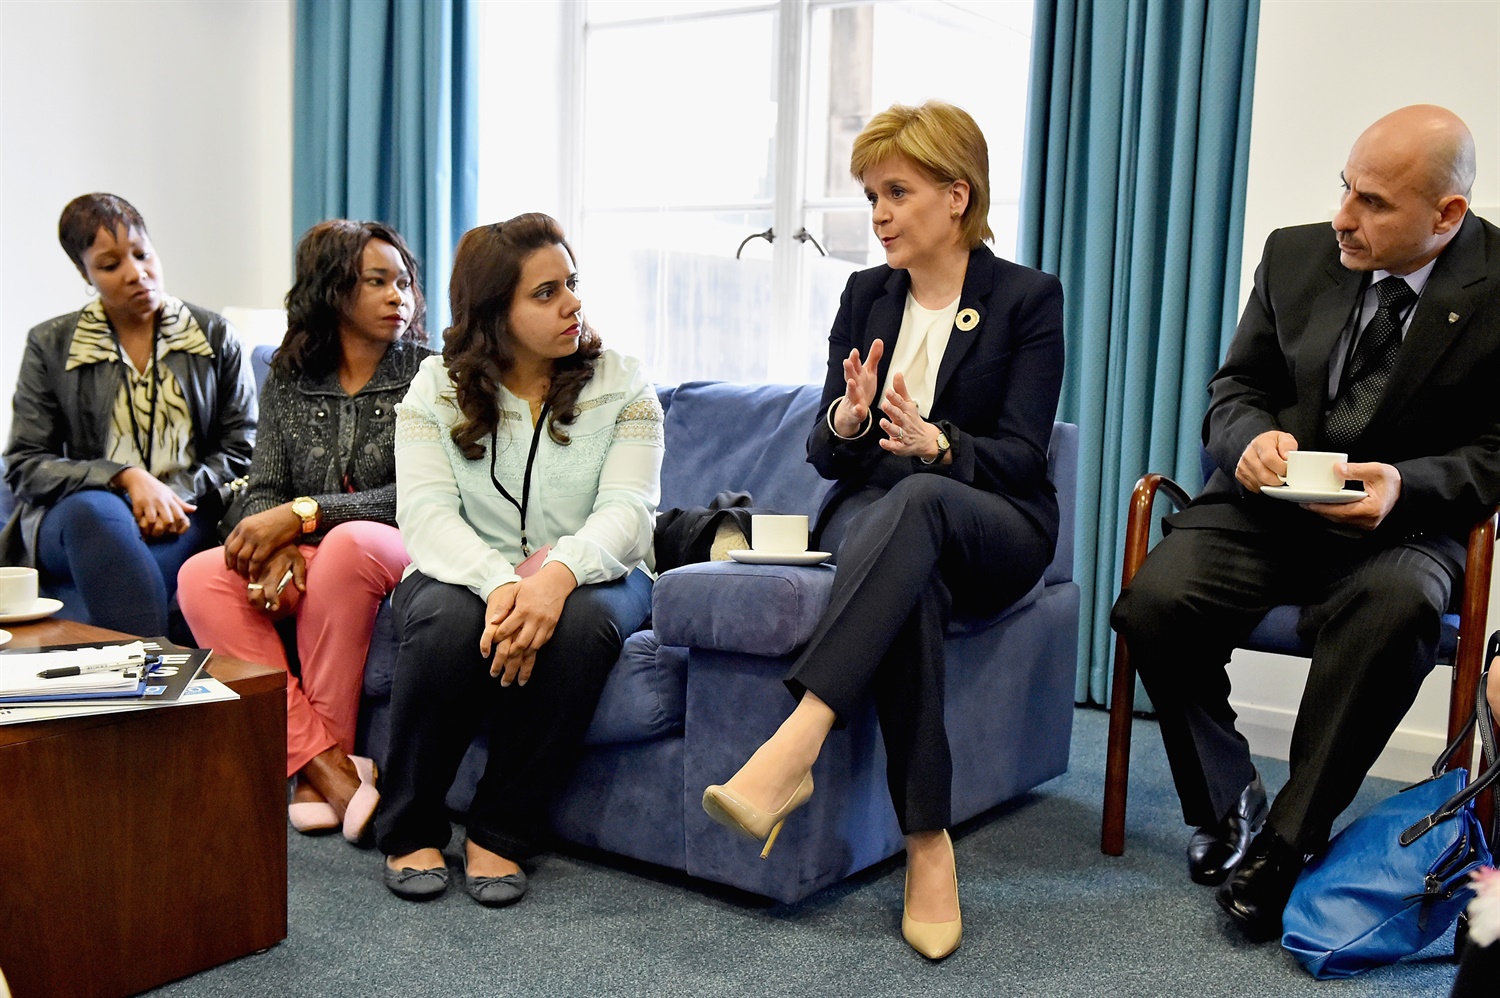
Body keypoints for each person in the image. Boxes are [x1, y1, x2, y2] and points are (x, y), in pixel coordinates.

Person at [1110, 105, 1500, 942]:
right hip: (1264, 514)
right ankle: (1227, 801)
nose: (1343, 219)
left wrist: (1405, 484)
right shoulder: (1295, 254)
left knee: (1397, 610)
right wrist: (1250, 443)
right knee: (1152, 602)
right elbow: (1234, 390)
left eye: (1373, 203)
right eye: (1344, 189)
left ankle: (1286, 845)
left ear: (1448, 216)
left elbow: (1498, 451)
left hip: (1403, 527)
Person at [699, 101, 1064, 960]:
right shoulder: (866, 294)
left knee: (924, 505)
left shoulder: (1025, 299)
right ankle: (927, 848)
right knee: (910, 577)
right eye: (871, 196)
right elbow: (826, 453)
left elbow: (1020, 456)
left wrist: (939, 443)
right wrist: (853, 418)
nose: (879, 215)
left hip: (994, 525)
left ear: (956, 194)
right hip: (885, 526)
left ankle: (796, 742)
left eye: (896, 192)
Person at [374, 214, 663, 907]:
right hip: (468, 572)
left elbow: (630, 510)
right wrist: (503, 582)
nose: (572, 304)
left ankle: (499, 833)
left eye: (572, 284)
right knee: (445, 619)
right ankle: (409, 823)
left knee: (581, 622)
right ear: (492, 311)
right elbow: (425, 514)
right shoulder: (434, 388)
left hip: (600, 572)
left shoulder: (622, 383)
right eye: (545, 293)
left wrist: (557, 576)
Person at [176, 220, 430, 842]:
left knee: (343, 547)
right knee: (201, 575)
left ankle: (324, 768)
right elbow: (263, 486)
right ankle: (326, 765)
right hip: (312, 550)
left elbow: (422, 495)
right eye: (377, 282)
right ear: (333, 290)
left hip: (398, 542)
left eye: (404, 282)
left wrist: (306, 515)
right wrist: (281, 543)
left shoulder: (431, 373)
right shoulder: (290, 373)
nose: (399, 296)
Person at [1, 193, 256, 635]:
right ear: (84, 273)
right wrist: (124, 479)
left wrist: (167, 495)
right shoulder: (51, 344)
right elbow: (25, 463)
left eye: (142, 254)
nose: (137, 273)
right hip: (78, 517)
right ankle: (158, 690)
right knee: (95, 514)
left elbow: (242, 449)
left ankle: (141, 692)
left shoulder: (215, 336)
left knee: (121, 566)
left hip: (187, 510)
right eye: (110, 264)